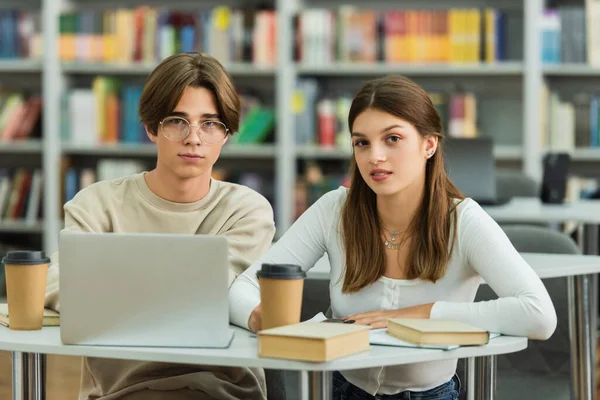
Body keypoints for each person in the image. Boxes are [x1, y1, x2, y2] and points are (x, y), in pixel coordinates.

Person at [229, 75, 557, 400]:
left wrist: (421, 313)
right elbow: (241, 288)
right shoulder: (335, 209)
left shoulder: (463, 220)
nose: (375, 157)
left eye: (393, 139)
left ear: (429, 144)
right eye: (362, 142)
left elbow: (539, 315)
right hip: (343, 391)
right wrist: (263, 319)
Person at [44, 53, 276, 400]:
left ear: (226, 135)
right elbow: (56, 282)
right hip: (119, 392)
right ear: (151, 127)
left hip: (221, 391)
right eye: (177, 121)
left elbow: (218, 294)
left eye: (210, 124)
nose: (194, 138)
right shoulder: (96, 204)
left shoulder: (247, 210)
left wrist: (111, 288)